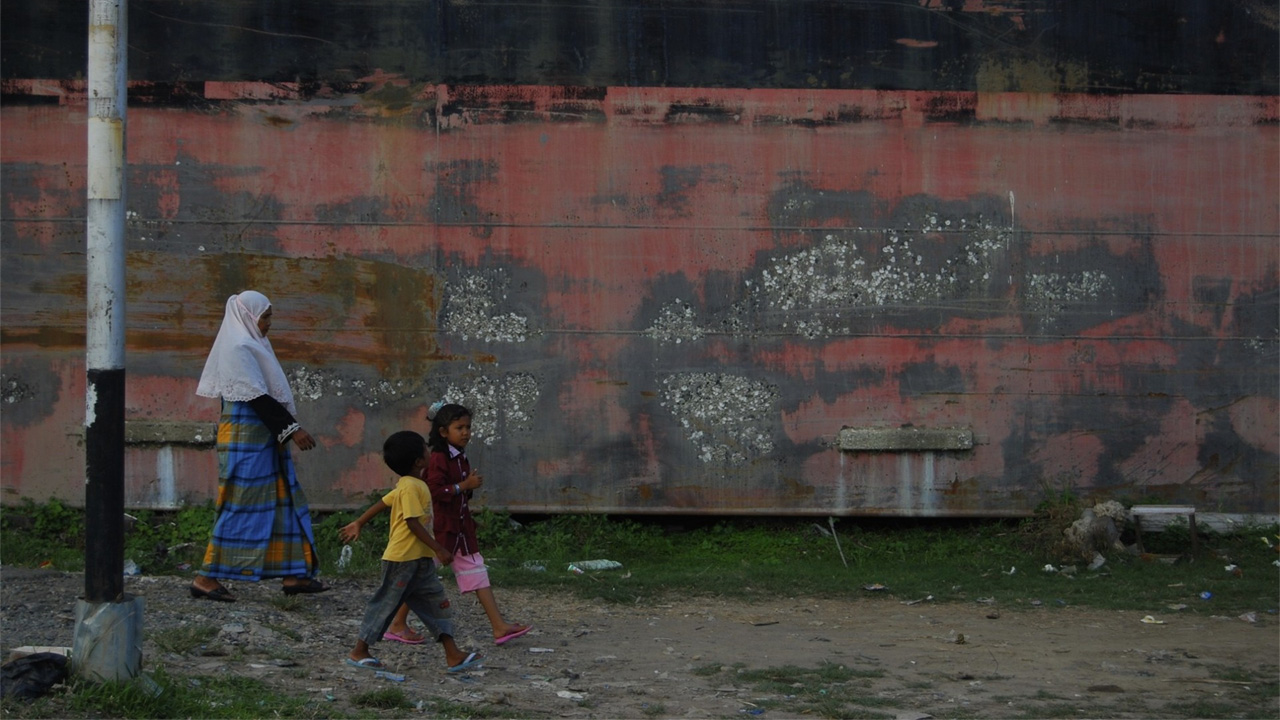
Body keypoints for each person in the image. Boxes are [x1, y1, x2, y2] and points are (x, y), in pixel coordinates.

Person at [341, 401, 531, 646]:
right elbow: (434, 492)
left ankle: (498, 626)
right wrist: (464, 486)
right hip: (440, 531)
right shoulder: (438, 460)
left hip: (459, 530)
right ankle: (394, 628)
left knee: (474, 571)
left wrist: (468, 509)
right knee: (416, 580)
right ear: (443, 432)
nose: (466, 432)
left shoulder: (459, 458)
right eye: (459, 427)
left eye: (468, 427)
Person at [190, 291, 328, 602]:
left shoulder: (252, 344)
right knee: (242, 503)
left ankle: (295, 574)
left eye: (269, 317)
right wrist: (293, 430)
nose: (268, 324)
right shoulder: (238, 347)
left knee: (283, 498)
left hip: (263, 438)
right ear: (248, 317)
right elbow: (256, 397)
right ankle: (205, 577)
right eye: (264, 317)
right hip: (245, 442)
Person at [345, 431, 483, 673]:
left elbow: (383, 502)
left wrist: (359, 522)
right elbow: (412, 521)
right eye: (425, 449)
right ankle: (359, 651)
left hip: (419, 561)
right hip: (402, 560)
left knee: (436, 603)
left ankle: (453, 654)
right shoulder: (410, 487)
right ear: (419, 461)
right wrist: (438, 548)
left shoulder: (411, 485)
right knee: (385, 604)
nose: (430, 452)